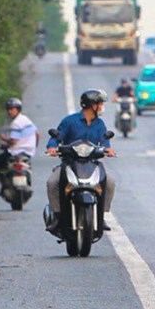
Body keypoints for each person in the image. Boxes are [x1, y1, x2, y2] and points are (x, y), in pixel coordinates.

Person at [45, 89, 116, 232]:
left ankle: (101, 216)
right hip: (70, 164)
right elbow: (56, 138)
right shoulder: (69, 121)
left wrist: (108, 149)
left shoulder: (100, 124)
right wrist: (52, 147)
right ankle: (58, 216)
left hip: (92, 164)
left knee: (109, 182)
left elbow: (104, 140)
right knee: (52, 183)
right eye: (100, 104)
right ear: (92, 105)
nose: (102, 107)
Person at [0, 97, 39, 193]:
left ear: (17, 109)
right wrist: (34, 146)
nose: (10, 112)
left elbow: (13, 142)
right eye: (8, 109)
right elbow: (37, 134)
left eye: (12, 109)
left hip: (16, 151)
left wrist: (3, 139)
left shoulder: (16, 123)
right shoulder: (25, 119)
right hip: (28, 152)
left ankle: (4, 183)